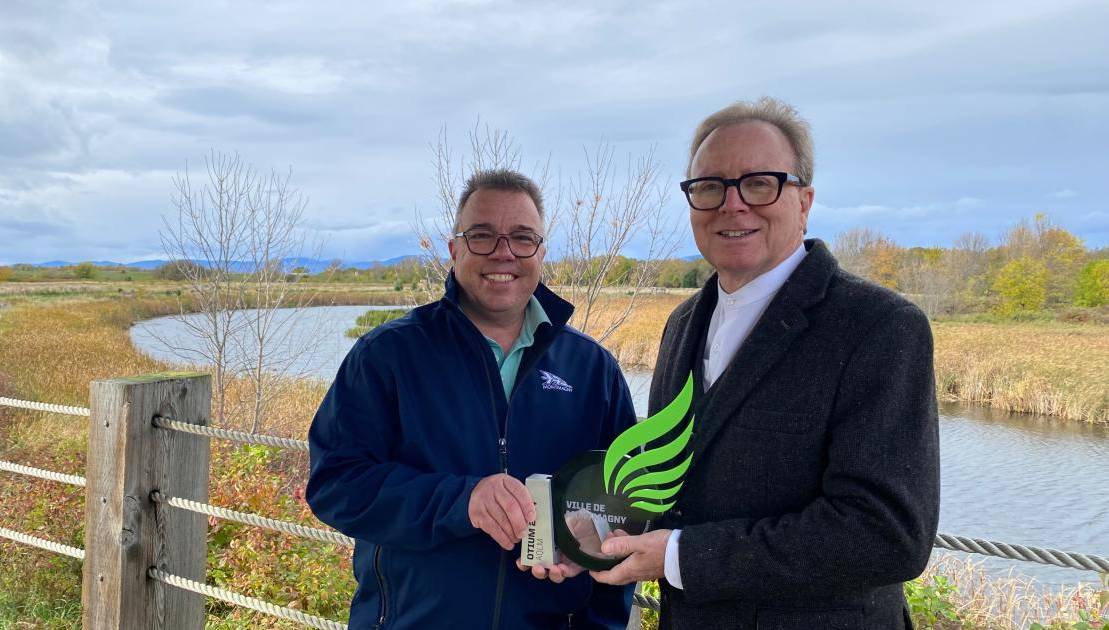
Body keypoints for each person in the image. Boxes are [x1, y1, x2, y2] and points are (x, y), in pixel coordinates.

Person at [590, 98, 940, 629]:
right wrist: (592, 531)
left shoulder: (878, 327)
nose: (733, 205)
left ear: (804, 200)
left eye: (760, 183)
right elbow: (675, 483)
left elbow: (887, 534)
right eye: (710, 186)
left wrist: (680, 557)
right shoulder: (683, 323)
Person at [306, 169, 636, 629]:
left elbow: (628, 501)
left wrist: (586, 544)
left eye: (522, 238)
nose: (504, 253)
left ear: (541, 252)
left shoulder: (593, 370)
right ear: (454, 249)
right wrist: (461, 502)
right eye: (482, 236)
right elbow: (335, 485)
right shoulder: (388, 356)